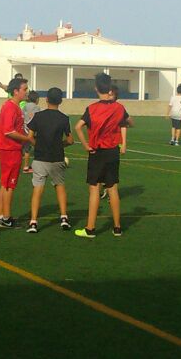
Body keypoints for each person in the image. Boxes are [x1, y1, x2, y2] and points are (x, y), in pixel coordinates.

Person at [74, 73, 129, 238]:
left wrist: (85, 145)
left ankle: (90, 228)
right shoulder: (119, 107)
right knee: (112, 188)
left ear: (96, 88)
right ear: (110, 89)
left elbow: (78, 127)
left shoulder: (92, 108)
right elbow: (127, 122)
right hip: (113, 152)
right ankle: (117, 227)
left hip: (97, 152)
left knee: (94, 188)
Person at [26, 87, 75, 233]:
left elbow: (29, 137)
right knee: (60, 186)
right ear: (60, 101)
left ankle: (33, 222)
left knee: (38, 188)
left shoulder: (38, 116)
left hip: (40, 157)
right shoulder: (64, 118)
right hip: (57, 158)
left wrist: (38, 145)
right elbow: (70, 140)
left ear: (46, 99)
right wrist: (60, 145)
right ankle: (64, 217)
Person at [0, 77, 30, 228]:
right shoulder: (11, 107)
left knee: (5, 183)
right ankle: (6, 217)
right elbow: (9, 131)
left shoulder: (14, 107)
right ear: (16, 91)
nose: (27, 92)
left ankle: (0, 215)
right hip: (10, 149)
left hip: (9, 149)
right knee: (10, 184)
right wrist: (27, 139)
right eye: (24, 89)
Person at [20, 89, 40, 173]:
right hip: (33, 131)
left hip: (25, 130)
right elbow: (38, 118)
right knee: (38, 148)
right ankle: (34, 166)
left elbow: (21, 116)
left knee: (26, 149)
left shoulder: (25, 106)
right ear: (36, 99)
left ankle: (25, 166)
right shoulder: (37, 107)